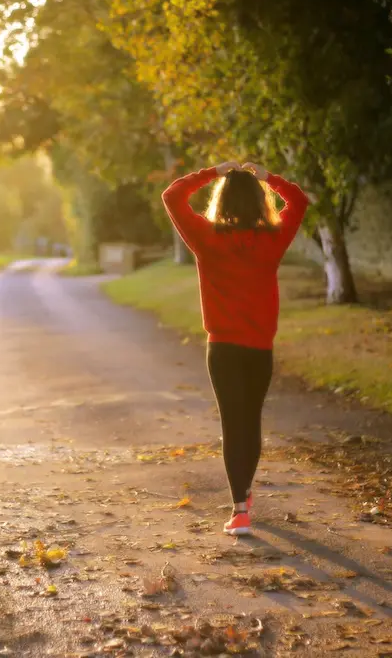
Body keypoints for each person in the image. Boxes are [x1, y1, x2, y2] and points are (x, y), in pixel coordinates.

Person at [161, 161, 309, 536]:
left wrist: (214, 171)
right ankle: (243, 494)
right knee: (250, 421)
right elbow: (299, 200)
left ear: (221, 200)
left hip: (223, 348)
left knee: (233, 422)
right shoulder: (273, 239)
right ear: (260, 202)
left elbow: (172, 195)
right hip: (259, 348)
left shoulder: (206, 238)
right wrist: (268, 177)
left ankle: (240, 509)